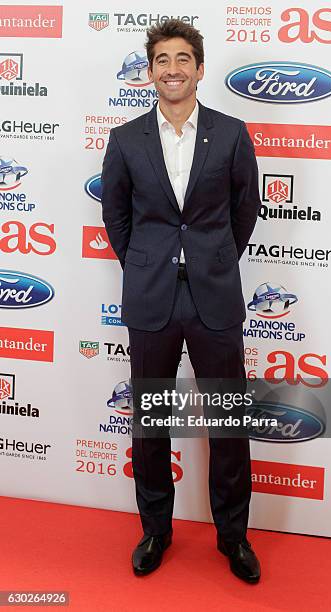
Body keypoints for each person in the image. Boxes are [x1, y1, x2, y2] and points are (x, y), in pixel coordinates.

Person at [101, 19, 261, 584]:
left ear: (199, 67)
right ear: (151, 72)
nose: (173, 69)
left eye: (183, 59)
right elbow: (115, 215)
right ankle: (155, 530)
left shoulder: (232, 133)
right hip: (151, 300)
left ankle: (233, 535)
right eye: (162, 60)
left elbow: (246, 210)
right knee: (149, 421)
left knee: (227, 420)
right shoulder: (125, 139)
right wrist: (144, 262)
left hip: (215, 297)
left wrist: (213, 258)